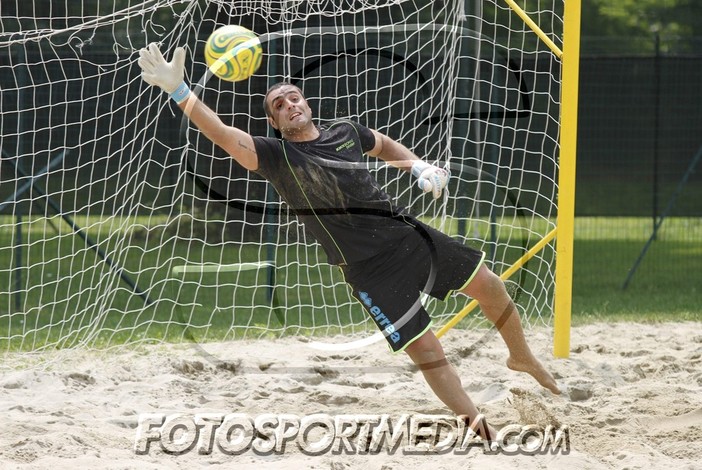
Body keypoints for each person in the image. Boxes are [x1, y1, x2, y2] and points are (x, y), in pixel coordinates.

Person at [138, 43, 560, 440]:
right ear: (274, 122)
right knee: (427, 350)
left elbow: (383, 145)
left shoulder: (345, 131)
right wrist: (179, 90)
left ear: (307, 103)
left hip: (405, 235)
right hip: (367, 270)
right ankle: (475, 423)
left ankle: (520, 356)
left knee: (489, 284)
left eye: (293, 98)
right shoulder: (274, 155)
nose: (289, 105)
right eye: (279, 106)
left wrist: (417, 166)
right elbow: (223, 134)